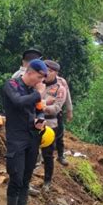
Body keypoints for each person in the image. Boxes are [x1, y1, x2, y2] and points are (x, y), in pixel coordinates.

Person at [2, 59, 47, 205]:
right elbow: (18, 102)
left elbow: (39, 109)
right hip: (16, 138)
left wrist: (40, 119)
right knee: (16, 177)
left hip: (32, 136)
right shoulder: (12, 84)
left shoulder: (34, 90)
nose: (40, 81)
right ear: (30, 72)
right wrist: (39, 94)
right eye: (39, 77)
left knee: (27, 176)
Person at [41, 60, 67, 192]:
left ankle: (47, 181)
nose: (46, 73)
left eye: (50, 71)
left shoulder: (60, 88)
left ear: (55, 73)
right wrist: (45, 103)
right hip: (34, 121)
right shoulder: (37, 84)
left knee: (48, 153)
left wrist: (40, 105)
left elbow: (56, 108)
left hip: (51, 124)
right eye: (45, 70)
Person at [55, 73, 73, 162]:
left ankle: (60, 155)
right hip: (42, 112)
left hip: (57, 112)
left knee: (59, 134)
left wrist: (69, 110)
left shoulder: (61, 81)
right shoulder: (40, 80)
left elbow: (67, 97)